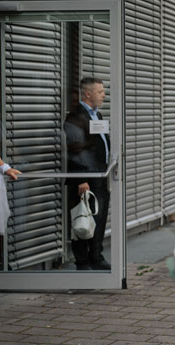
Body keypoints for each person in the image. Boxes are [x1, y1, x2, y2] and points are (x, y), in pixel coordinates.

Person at [64, 77, 111, 270]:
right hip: (85, 178)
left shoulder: (96, 115)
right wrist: (81, 180)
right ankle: (82, 261)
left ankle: (96, 257)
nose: (104, 95)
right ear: (88, 94)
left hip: (99, 175)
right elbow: (74, 149)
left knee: (97, 218)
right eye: (100, 92)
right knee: (82, 218)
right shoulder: (76, 116)